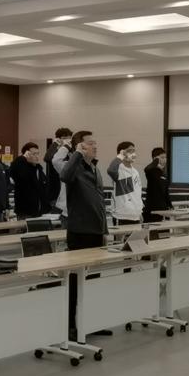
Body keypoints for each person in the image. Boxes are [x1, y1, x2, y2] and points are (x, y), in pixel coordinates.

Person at [60, 130, 110, 339]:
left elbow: (99, 201)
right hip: (80, 231)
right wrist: (76, 155)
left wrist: (105, 230)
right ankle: (70, 325)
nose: (95, 146)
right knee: (75, 281)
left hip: (96, 230)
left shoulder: (94, 168)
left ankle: (90, 321)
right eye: (90, 143)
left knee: (93, 280)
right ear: (80, 146)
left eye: (95, 142)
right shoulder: (75, 167)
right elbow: (64, 176)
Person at [9, 142, 49, 219]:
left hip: (40, 212)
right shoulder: (20, 167)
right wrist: (22, 158)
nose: (37, 156)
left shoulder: (39, 169)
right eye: (34, 154)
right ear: (26, 155)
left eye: (38, 153)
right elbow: (14, 170)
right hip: (25, 213)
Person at [107, 141, 143, 225]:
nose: (133, 154)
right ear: (122, 153)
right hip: (121, 216)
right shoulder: (118, 169)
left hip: (135, 215)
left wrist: (140, 212)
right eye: (130, 151)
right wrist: (120, 157)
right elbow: (110, 170)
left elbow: (137, 194)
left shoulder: (135, 172)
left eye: (134, 151)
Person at [43, 127, 72, 211]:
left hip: (67, 190)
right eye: (64, 138)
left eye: (69, 138)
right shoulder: (55, 149)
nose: (67, 140)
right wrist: (55, 144)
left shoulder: (70, 151)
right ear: (58, 139)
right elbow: (47, 158)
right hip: (55, 190)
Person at [143, 148, 171, 223]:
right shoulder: (151, 171)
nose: (164, 160)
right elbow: (146, 169)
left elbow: (166, 192)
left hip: (163, 207)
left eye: (165, 157)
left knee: (165, 229)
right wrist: (155, 161)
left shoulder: (163, 174)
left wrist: (170, 205)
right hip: (152, 208)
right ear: (155, 159)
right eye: (162, 157)